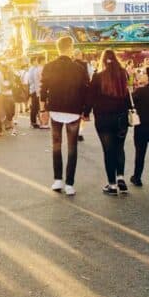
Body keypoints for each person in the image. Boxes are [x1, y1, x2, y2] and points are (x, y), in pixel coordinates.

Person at [41, 37, 89, 196]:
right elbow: (85, 90)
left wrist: (43, 111)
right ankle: (69, 183)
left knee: (56, 144)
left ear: (57, 48)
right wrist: (85, 111)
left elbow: (43, 90)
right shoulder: (80, 68)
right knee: (72, 147)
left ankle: (57, 180)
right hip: (74, 111)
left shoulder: (48, 67)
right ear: (70, 48)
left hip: (55, 110)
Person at [87, 49, 132, 195]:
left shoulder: (98, 76)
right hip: (121, 118)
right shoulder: (123, 74)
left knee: (108, 151)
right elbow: (128, 95)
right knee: (120, 148)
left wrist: (85, 113)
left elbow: (91, 97)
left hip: (103, 119)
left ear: (102, 60)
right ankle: (121, 178)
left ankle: (112, 185)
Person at [24, 57, 44, 129]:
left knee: (36, 106)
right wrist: (38, 92)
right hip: (35, 90)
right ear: (32, 62)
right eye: (36, 61)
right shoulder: (33, 69)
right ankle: (33, 122)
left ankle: (36, 122)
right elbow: (35, 82)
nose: (37, 62)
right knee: (35, 107)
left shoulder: (32, 69)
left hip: (34, 90)